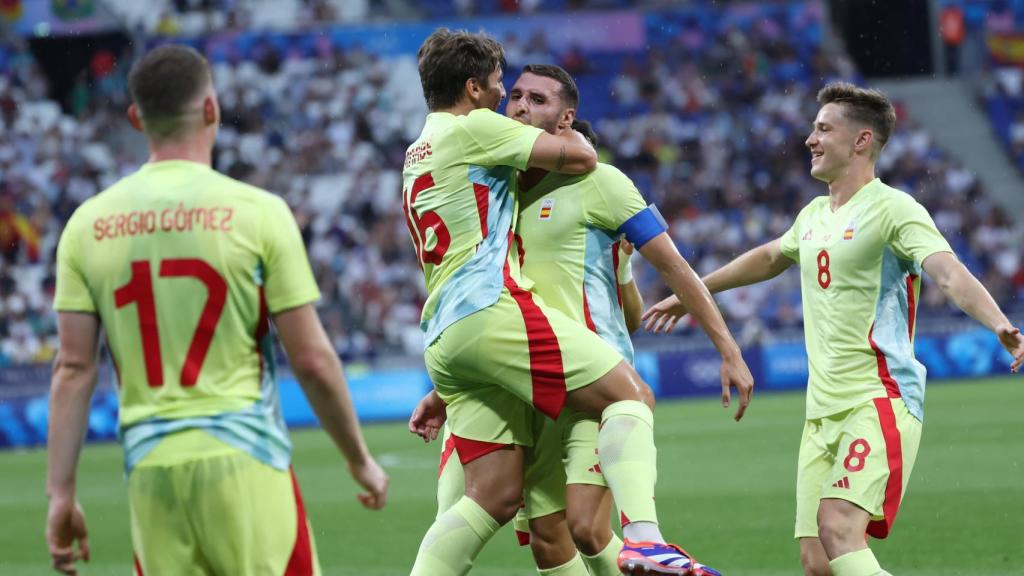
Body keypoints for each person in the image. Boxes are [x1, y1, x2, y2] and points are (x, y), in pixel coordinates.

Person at [404, 29, 753, 576]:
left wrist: (726, 346)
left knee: (586, 527)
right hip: (524, 364)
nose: (513, 104)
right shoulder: (503, 179)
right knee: (541, 532)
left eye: (534, 99)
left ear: (566, 119)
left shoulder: (600, 182)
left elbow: (665, 273)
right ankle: (644, 546)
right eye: (511, 92)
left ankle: (646, 540)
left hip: (567, 363)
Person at [642, 81, 1024, 576]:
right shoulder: (814, 214)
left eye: (823, 128)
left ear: (861, 141)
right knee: (817, 562)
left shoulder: (895, 209)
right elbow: (768, 257)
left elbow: (947, 271)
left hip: (877, 397)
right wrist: (693, 291)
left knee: (839, 526)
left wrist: (1000, 323)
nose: (809, 138)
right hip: (820, 411)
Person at [45, 45, 388, 576]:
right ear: (212, 110)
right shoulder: (258, 213)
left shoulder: (87, 225)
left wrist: (60, 494)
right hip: (245, 458)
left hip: (150, 470)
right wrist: (359, 459)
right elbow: (313, 360)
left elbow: (73, 368)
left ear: (137, 119)